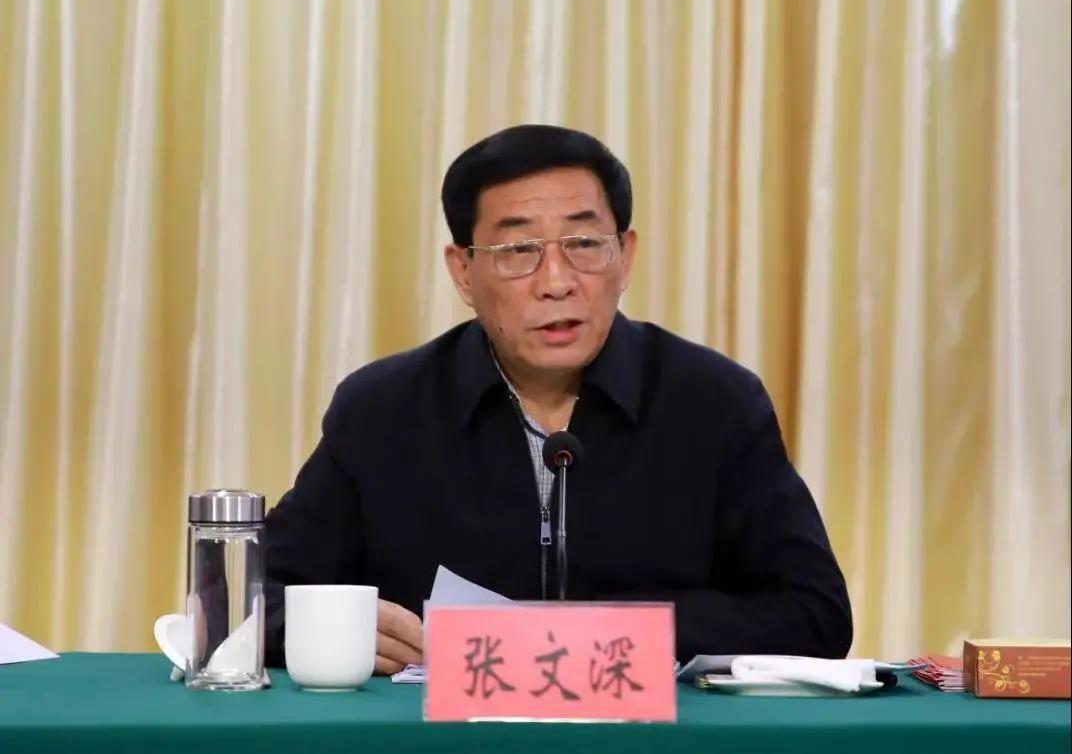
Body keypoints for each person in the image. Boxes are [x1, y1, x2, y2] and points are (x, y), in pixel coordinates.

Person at [264, 124, 852, 673]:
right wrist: (329, 626)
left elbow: (815, 614)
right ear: (463, 271)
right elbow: (252, 598)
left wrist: (598, 631)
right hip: (443, 733)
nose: (556, 282)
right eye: (518, 251)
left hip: (651, 733)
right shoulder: (383, 411)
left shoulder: (712, 403)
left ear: (625, 256)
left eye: (584, 244)